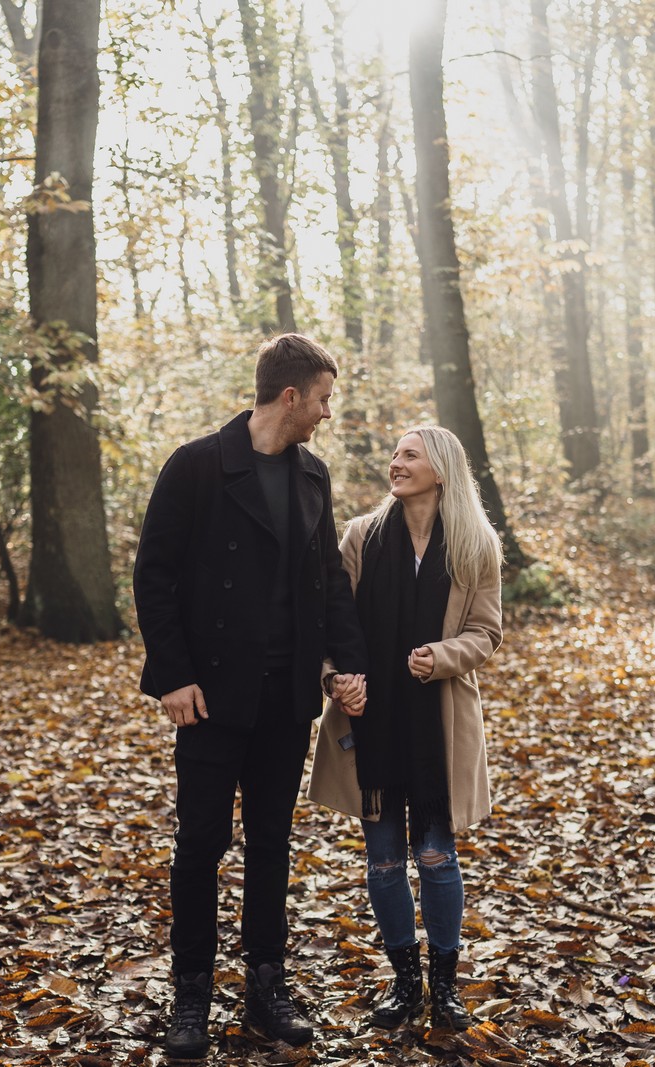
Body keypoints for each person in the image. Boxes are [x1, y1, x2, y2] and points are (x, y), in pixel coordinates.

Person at [133, 333, 369, 1060]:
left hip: (285, 695)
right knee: (200, 844)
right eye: (324, 398)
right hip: (209, 697)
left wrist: (347, 664)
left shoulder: (313, 477)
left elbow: (327, 579)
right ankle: (192, 992)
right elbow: (153, 574)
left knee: (272, 843)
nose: (328, 413)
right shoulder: (198, 465)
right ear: (291, 395)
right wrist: (171, 675)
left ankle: (268, 983)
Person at [308, 426, 504, 1032]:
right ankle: (405, 983)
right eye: (395, 454)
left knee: (437, 855)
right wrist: (337, 678)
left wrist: (442, 656)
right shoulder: (362, 537)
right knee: (386, 862)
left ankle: (444, 986)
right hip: (371, 719)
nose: (396, 463)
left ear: (440, 469)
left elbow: (486, 632)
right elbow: (330, 621)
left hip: (436, 722)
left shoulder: (475, 546)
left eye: (409, 455)